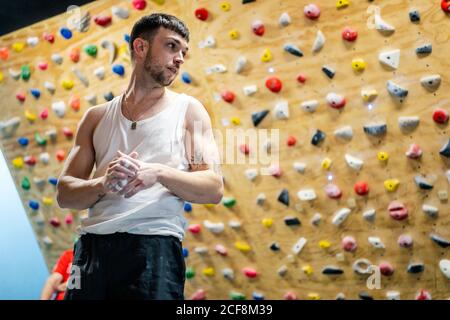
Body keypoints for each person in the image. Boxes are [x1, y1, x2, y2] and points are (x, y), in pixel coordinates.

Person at [56, 13, 223, 300]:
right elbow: (65, 194)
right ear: (141, 48)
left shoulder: (189, 110)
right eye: (171, 46)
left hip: (154, 247)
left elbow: (213, 187)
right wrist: (102, 184)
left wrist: (158, 172)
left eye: (184, 52)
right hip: (90, 250)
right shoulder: (96, 117)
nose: (180, 58)